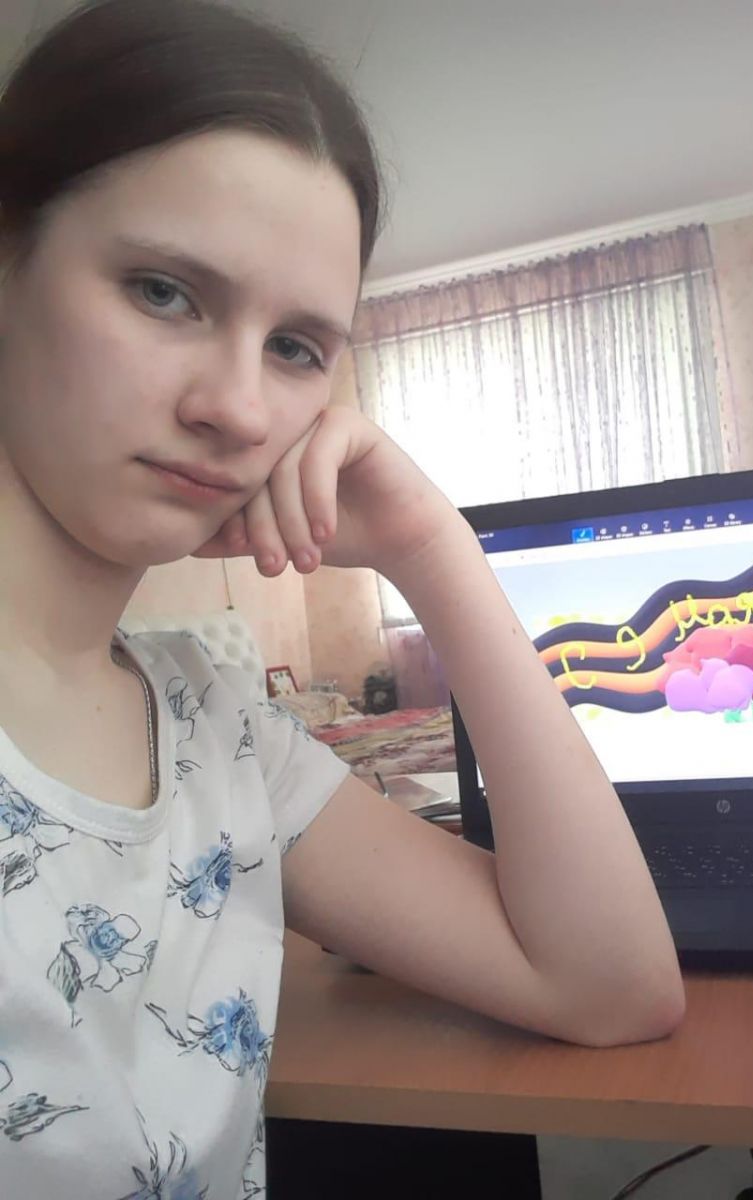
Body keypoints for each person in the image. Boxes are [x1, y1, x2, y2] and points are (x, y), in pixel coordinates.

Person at [0, 0, 684, 1194]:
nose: (238, 409)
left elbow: (611, 988)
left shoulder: (219, 739)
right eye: (163, 291)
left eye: (297, 348)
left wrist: (431, 544)